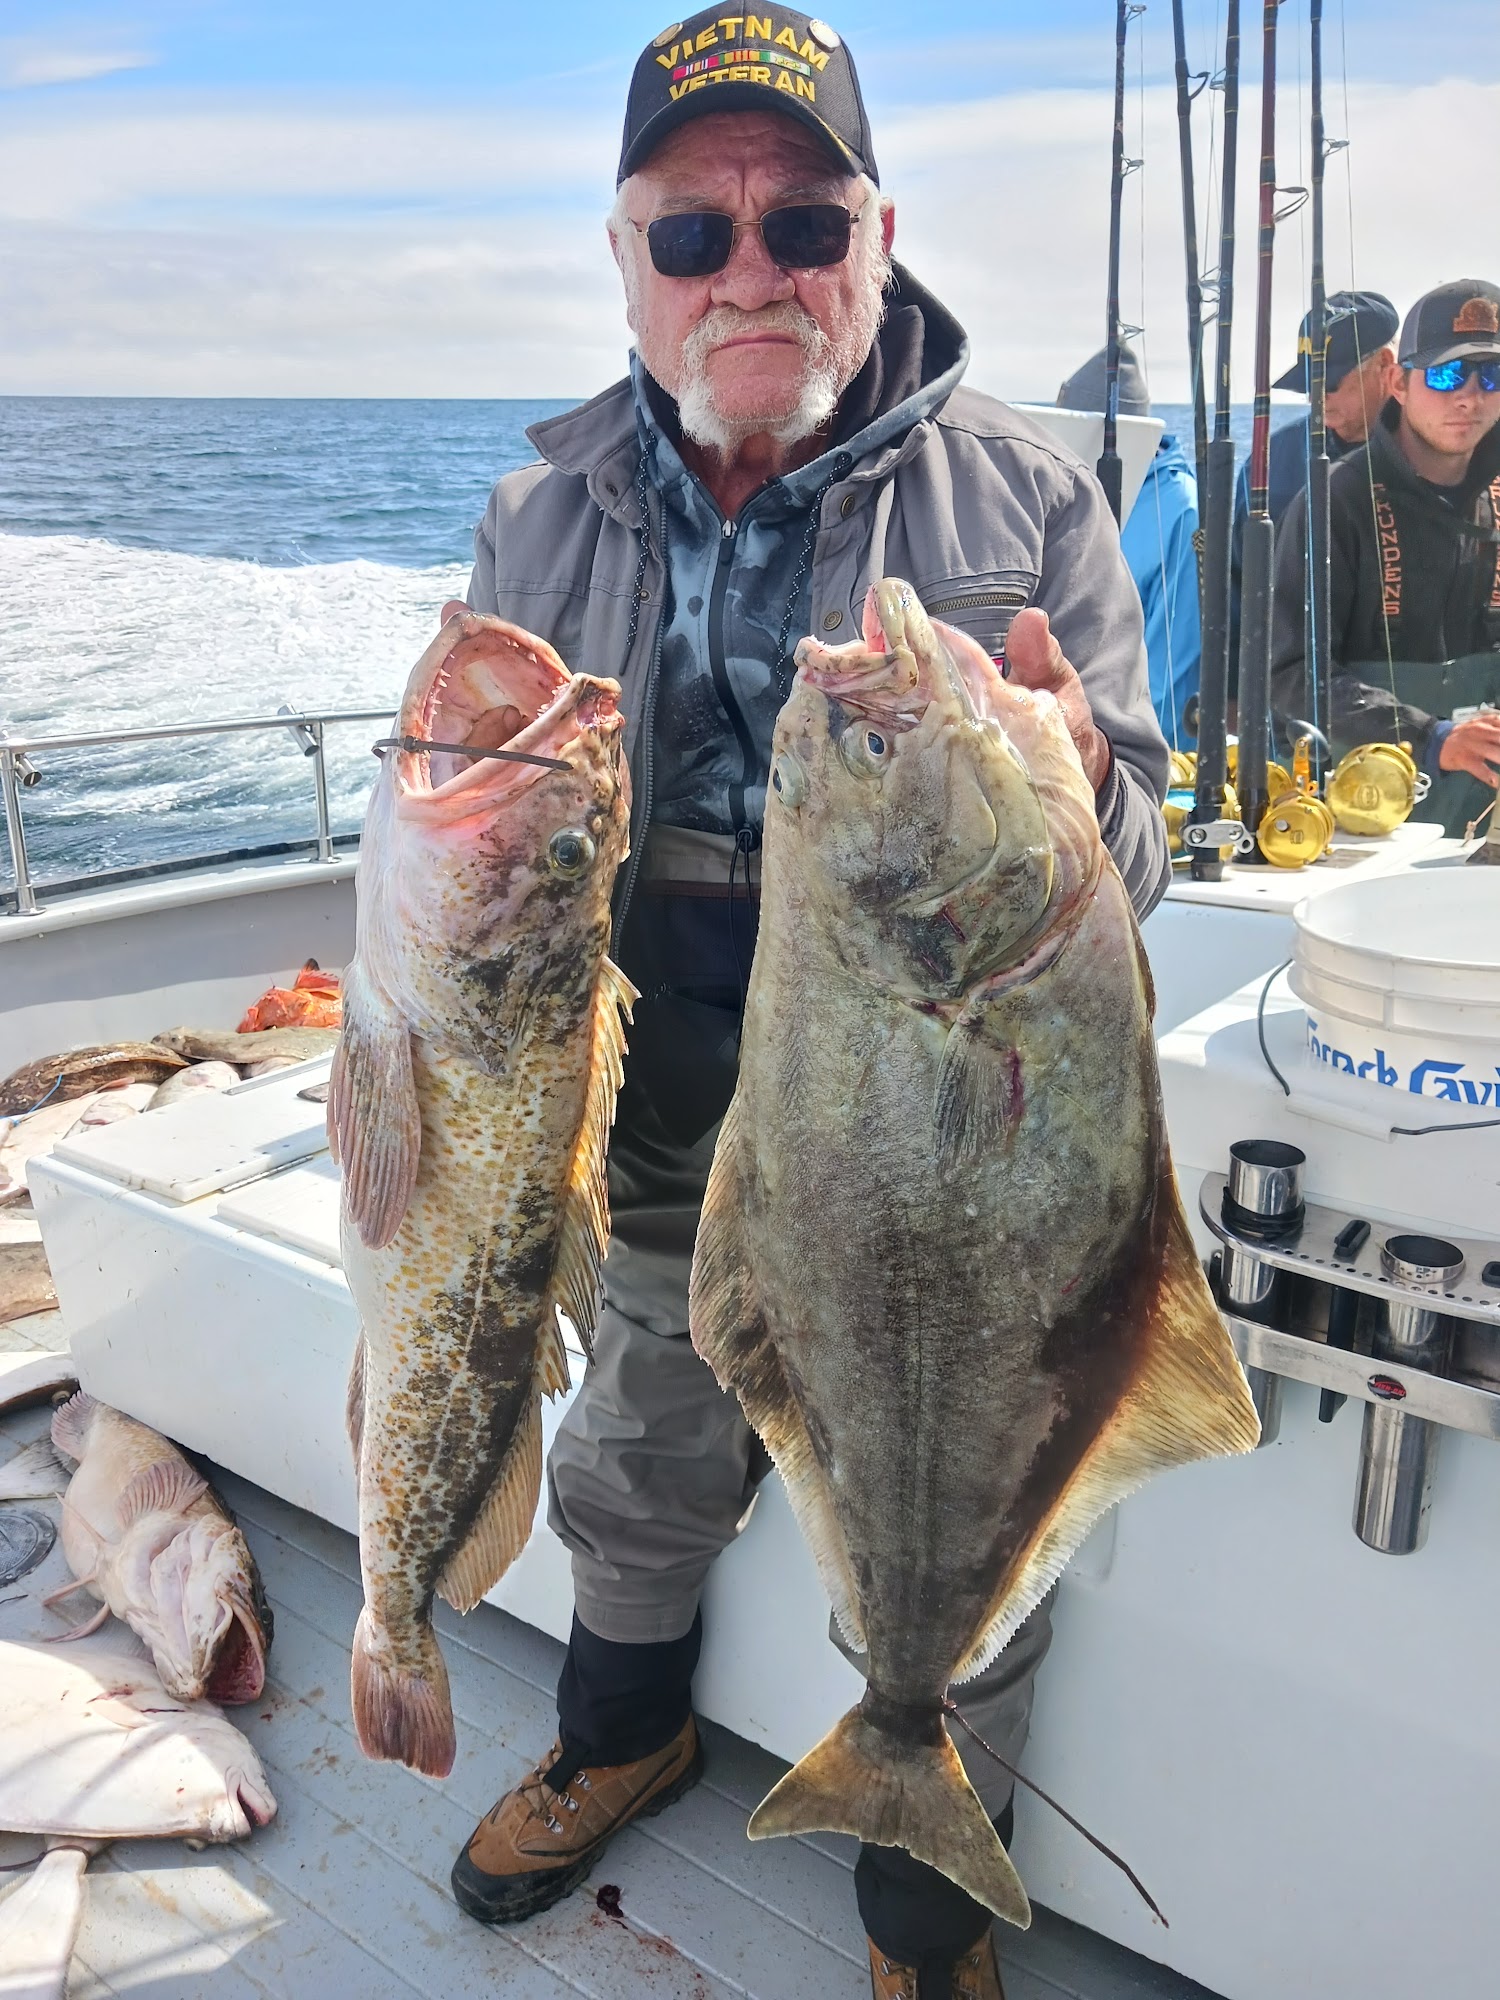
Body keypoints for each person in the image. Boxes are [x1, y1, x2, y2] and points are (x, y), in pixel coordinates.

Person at [443, 11, 1172, 1996]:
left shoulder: (1029, 497)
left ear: (879, 239)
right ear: (625, 262)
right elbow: (479, 815)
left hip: (944, 1122)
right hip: (657, 1093)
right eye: (692, 234)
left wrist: (1076, 785)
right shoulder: (537, 514)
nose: (749, 272)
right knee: (637, 1456)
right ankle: (621, 1732)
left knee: (960, 1491)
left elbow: (1142, 848)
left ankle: (922, 1902)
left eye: (805, 222)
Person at [1270, 278, 1500, 832]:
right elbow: (1292, 674)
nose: (1469, 397)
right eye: (1445, 374)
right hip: (1358, 822)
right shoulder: (1334, 501)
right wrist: (1429, 737)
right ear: (1398, 381)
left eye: (1492, 375)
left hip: (1483, 821)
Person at [1229, 290, 1399, 671]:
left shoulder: (1431, 455)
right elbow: (1238, 589)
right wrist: (1233, 690)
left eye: (1331, 382)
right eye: (1309, 383)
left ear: (1385, 366)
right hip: (1290, 686)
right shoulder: (1268, 462)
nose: (1316, 397)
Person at [1058, 344, 1200, 746]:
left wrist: (1152, 753)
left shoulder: (1181, 510)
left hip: (1139, 744)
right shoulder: (1061, 490)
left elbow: (1177, 655)